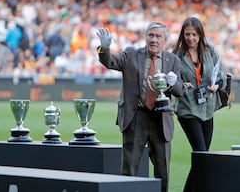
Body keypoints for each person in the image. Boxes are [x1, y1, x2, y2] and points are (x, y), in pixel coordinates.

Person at [96, 22, 184, 192]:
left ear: (164, 40)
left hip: (161, 118)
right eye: (151, 35)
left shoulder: (172, 60)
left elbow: (179, 90)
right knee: (129, 169)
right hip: (136, 116)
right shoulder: (131, 54)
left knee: (163, 170)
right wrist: (104, 49)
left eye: (158, 36)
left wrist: (173, 84)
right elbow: (111, 62)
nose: (154, 39)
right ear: (145, 37)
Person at [172, 16, 228, 192]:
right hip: (187, 109)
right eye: (187, 34)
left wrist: (216, 86)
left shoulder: (210, 51)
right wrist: (181, 85)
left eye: (194, 35)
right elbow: (171, 81)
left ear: (200, 35)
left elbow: (223, 76)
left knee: (202, 158)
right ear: (183, 35)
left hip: (207, 108)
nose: (190, 38)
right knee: (201, 153)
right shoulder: (177, 56)